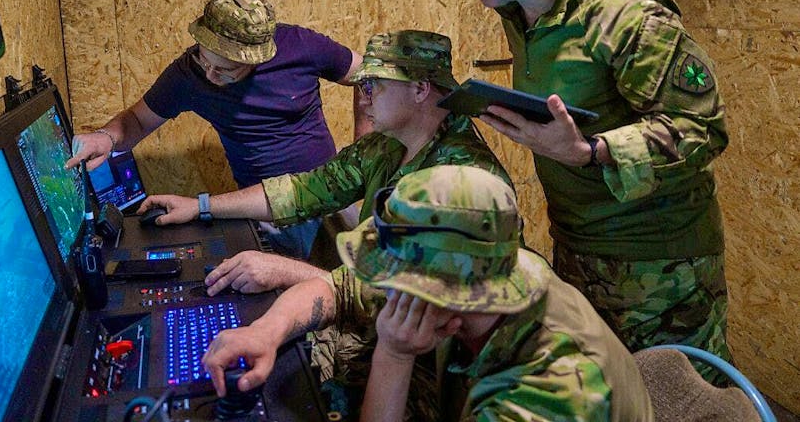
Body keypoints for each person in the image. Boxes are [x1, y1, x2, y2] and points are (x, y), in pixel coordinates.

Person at [432, 0, 731, 380]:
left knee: (678, 402)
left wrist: (591, 151)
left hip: (659, 268)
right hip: (577, 249)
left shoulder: (627, 14)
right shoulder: (518, 9)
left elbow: (702, 128)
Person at [201, 165, 653, 421]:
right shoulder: (487, 272)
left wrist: (393, 356)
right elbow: (334, 288)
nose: (386, 287)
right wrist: (266, 330)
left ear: (444, 293)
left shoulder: (550, 393)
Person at [138, 29, 511, 296]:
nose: (364, 98)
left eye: (374, 86)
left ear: (419, 89)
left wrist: (285, 272)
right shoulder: (384, 147)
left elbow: (392, 293)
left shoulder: (461, 180)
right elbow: (302, 191)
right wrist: (200, 206)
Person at [66, 0, 367, 258]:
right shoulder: (188, 74)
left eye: (226, 70)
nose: (210, 75)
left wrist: (366, 145)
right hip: (264, 211)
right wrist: (106, 137)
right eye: (204, 59)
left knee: (355, 298)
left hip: (330, 198)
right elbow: (136, 121)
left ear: (256, 59)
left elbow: (366, 74)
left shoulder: (301, 45)